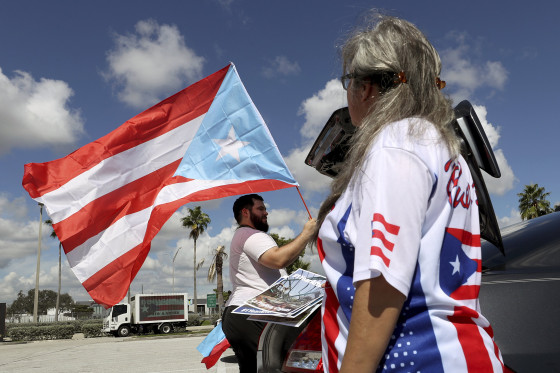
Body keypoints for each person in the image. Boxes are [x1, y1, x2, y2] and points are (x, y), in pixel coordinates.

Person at [312, 14, 506, 372]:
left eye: (349, 82)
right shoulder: (445, 150)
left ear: (366, 87)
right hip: (460, 354)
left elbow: (382, 282)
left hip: (416, 360)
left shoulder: (395, 143)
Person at [222, 193, 316, 372]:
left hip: (243, 313)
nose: (266, 213)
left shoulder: (242, 235)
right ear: (245, 212)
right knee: (292, 365)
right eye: (261, 208)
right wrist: (306, 234)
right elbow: (278, 259)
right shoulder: (251, 234)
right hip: (255, 312)